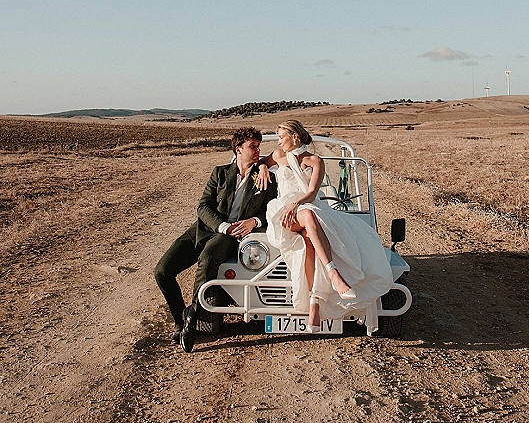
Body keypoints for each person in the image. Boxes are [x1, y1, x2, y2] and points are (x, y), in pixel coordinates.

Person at [260, 120, 393, 334]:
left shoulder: (315, 160)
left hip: (306, 207)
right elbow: (260, 162)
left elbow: (312, 193)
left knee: (310, 241)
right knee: (309, 216)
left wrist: (297, 204)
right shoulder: (277, 155)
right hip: (284, 215)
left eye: (282, 137)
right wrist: (264, 167)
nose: (279, 141)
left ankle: (315, 303)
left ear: (295, 137)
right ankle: (333, 273)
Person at [154, 126, 277, 352]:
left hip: (234, 236)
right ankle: (180, 319)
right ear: (238, 149)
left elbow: (272, 212)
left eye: (259, 146)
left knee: (209, 258)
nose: (258, 150)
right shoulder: (219, 173)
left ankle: (193, 318)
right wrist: (222, 226)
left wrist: (254, 222)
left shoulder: (266, 178)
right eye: (253, 146)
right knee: (162, 270)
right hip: (205, 229)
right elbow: (203, 206)